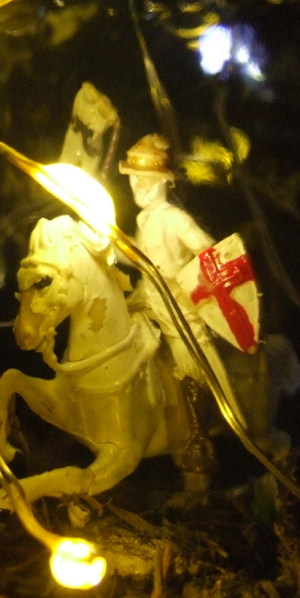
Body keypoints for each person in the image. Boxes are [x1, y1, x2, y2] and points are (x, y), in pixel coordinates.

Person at [120, 134, 237, 480]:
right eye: (133, 178)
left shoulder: (175, 219)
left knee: (191, 368)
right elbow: (141, 259)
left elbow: (209, 252)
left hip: (177, 307)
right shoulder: (144, 220)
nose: (137, 185)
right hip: (147, 298)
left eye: (144, 179)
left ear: (162, 182)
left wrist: (192, 282)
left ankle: (199, 434)